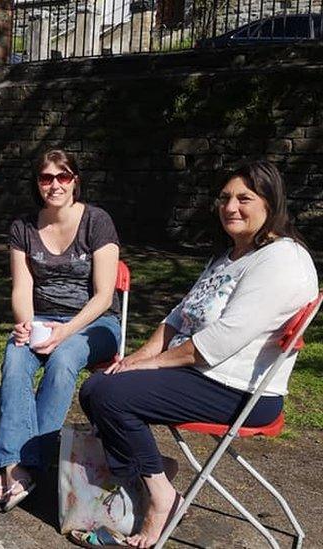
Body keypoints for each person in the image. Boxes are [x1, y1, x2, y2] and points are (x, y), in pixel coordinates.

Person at [74, 161, 318, 548]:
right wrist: (137, 357)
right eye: (224, 198)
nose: (231, 208)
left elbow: (218, 343)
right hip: (203, 376)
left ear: (271, 202)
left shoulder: (282, 260)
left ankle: (160, 497)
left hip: (241, 392)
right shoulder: (230, 256)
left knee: (106, 394)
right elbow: (177, 318)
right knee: (102, 384)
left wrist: (152, 363)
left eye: (244, 198)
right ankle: (156, 471)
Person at [0, 150, 121, 511]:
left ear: (75, 180)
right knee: (15, 357)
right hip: (42, 317)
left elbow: (105, 296)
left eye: (63, 176)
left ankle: (27, 463)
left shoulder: (96, 221)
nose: (54, 184)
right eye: (46, 178)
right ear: (37, 183)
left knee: (63, 359)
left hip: (93, 323)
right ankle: (13, 465)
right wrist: (27, 324)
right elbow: (21, 288)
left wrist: (65, 332)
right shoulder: (23, 228)